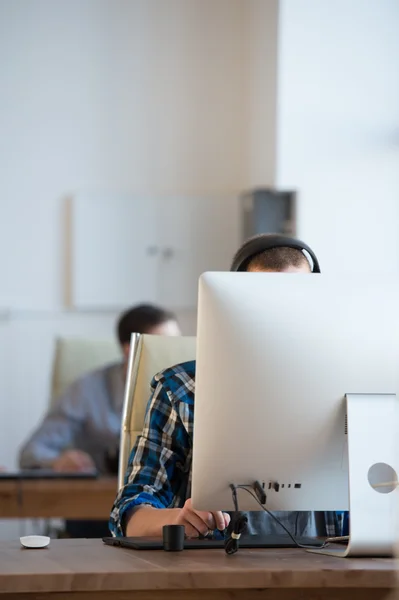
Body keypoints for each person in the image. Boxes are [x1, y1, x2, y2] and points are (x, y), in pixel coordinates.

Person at [109, 236, 342, 540]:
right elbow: (129, 515)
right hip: (217, 576)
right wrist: (175, 520)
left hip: (334, 572)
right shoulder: (181, 389)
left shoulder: (350, 386)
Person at [19, 304, 180, 474]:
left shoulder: (186, 388)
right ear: (130, 350)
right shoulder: (86, 389)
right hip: (103, 493)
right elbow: (32, 452)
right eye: (164, 346)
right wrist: (57, 462)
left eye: (178, 344)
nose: (175, 354)